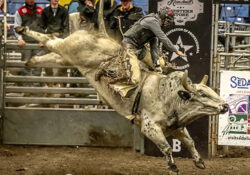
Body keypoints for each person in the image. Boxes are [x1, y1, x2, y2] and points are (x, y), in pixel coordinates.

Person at [95, 7, 186, 98]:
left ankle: (149, 75)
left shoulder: (156, 26)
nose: (168, 23)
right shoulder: (152, 21)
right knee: (135, 79)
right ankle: (107, 70)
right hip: (129, 47)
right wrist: (176, 50)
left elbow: (154, 48)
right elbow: (163, 38)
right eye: (167, 20)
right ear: (162, 17)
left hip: (140, 49)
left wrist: (157, 66)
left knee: (162, 64)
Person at [14, 0, 43, 76]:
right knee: (25, 64)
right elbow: (17, 26)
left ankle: (36, 85)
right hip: (25, 43)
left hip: (38, 43)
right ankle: (25, 85)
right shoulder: (20, 12)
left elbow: (45, 27)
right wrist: (20, 39)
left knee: (38, 65)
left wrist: (43, 40)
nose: (31, 0)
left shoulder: (41, 11)